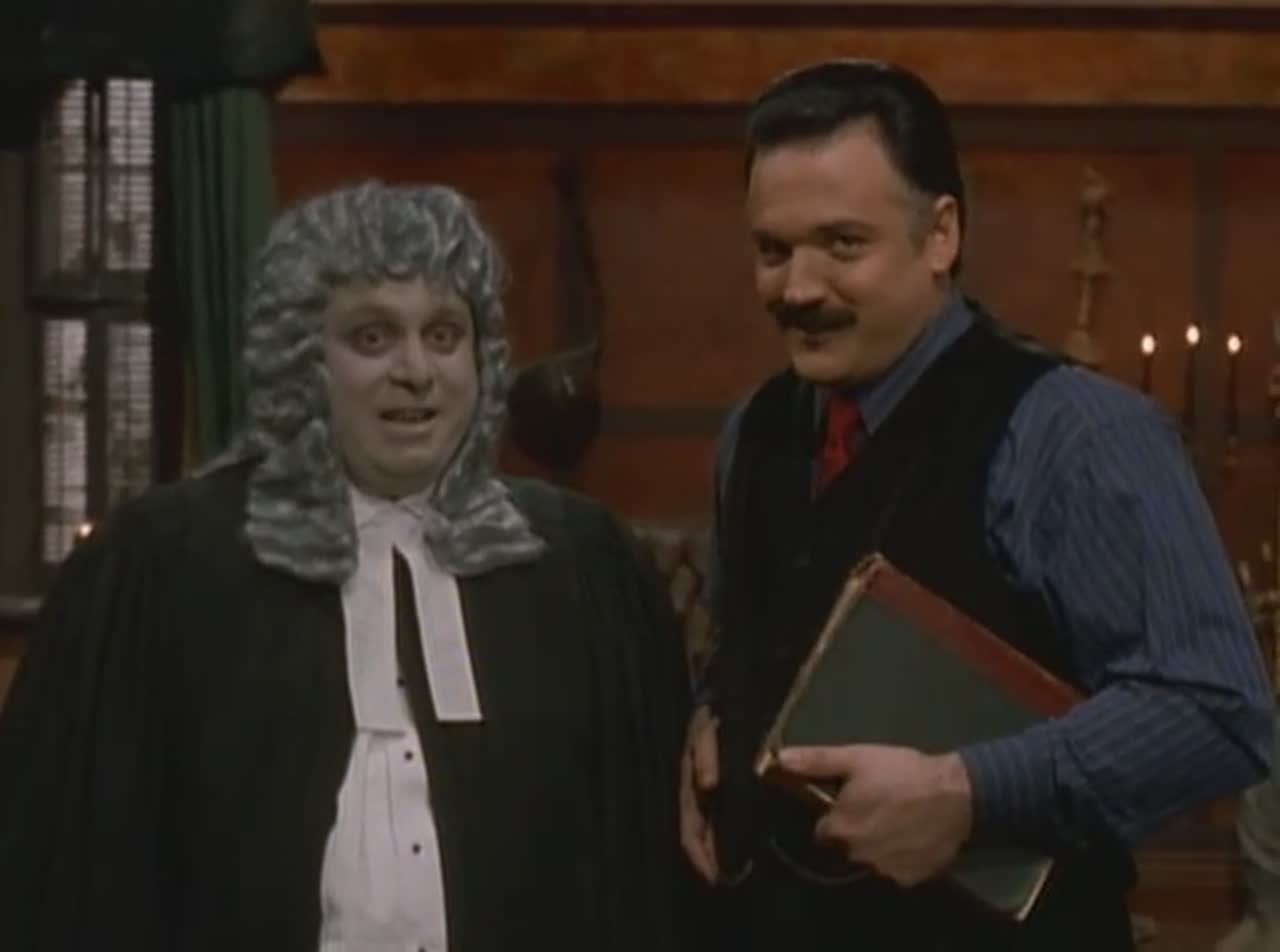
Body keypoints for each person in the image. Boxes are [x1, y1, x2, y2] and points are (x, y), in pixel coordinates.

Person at [0, 180, 691, 951]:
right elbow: (70, 874)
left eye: (444, 334)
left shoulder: (580, 564)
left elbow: (647, 882)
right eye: (372, 337)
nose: (416, 370)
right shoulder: (162, 565)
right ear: (300, 362)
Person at [678, 58, 1274, 951]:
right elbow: (741, 640)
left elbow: (1215, 710)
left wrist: (968, 792)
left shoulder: (1077, 434)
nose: (797, 288)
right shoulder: (753, 431)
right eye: (773, 250)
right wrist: (710, 717)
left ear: (941, 235)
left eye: (842, 244)